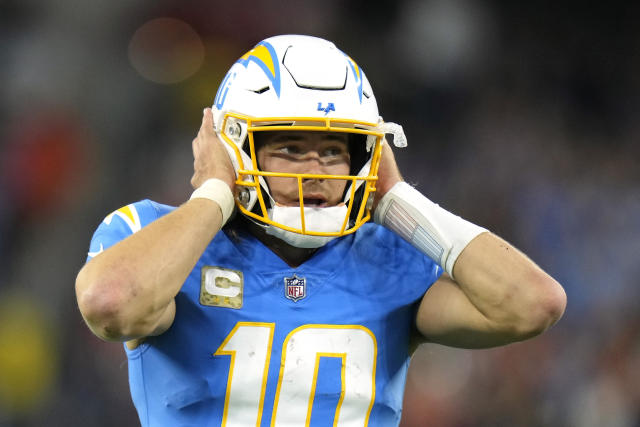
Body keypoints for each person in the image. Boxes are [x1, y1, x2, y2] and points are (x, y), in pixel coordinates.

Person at [75, 34, 566, 426]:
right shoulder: (154, 234)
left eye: (334, 151)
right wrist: (214, 192)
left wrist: (398, 200)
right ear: (235, 147)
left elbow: (531, 305)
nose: (317, 170)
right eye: (291, 148)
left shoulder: (388, 256)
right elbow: (112, 304)